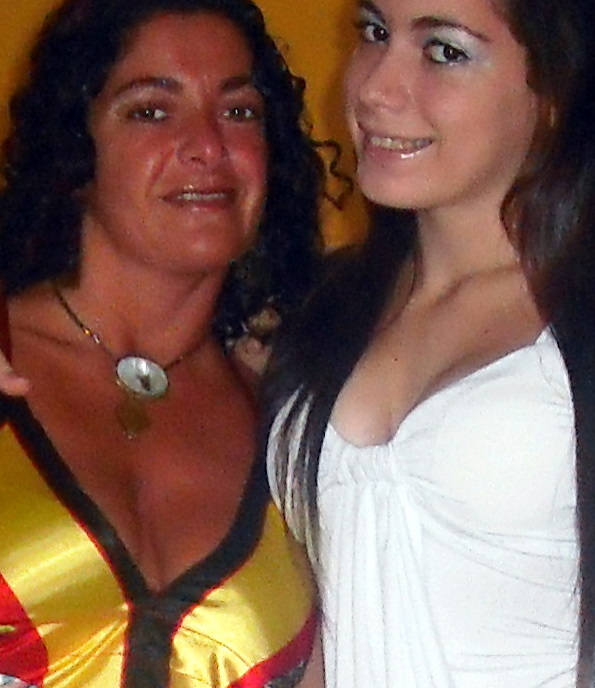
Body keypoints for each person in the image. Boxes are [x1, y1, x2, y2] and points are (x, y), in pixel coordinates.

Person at [264, 0, 595, 685]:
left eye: (444, 51)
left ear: (553, 89)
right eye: (374, 33)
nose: (375, 89)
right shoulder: (323, 308)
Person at [0, 0, 328, 685]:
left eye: (238, 112)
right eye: (151, 110)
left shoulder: (300, 428)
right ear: (75, 148)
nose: (208, 145)